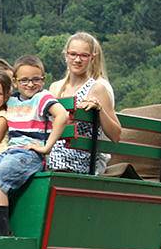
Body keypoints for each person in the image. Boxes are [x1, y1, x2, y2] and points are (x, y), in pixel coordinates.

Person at [0, 55, 69, 236]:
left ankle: (1, 233)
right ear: (15, 82)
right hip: (10, 153)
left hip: (29, 155)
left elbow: (62, 116)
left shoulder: (42, 97)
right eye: (24, 80)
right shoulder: (12, 100)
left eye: (35, 79)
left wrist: (47, 146)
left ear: (43, 79)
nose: (30, 84)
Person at [47, 32, 121, 174]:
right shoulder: (55, 87)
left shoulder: (97, 88)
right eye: (73, 54)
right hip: (52, 152)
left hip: (80, 157)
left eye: (84, 55)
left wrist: (99, 110)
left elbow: (116, 135)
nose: (77, 60)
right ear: (66, 55)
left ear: (92, 58)